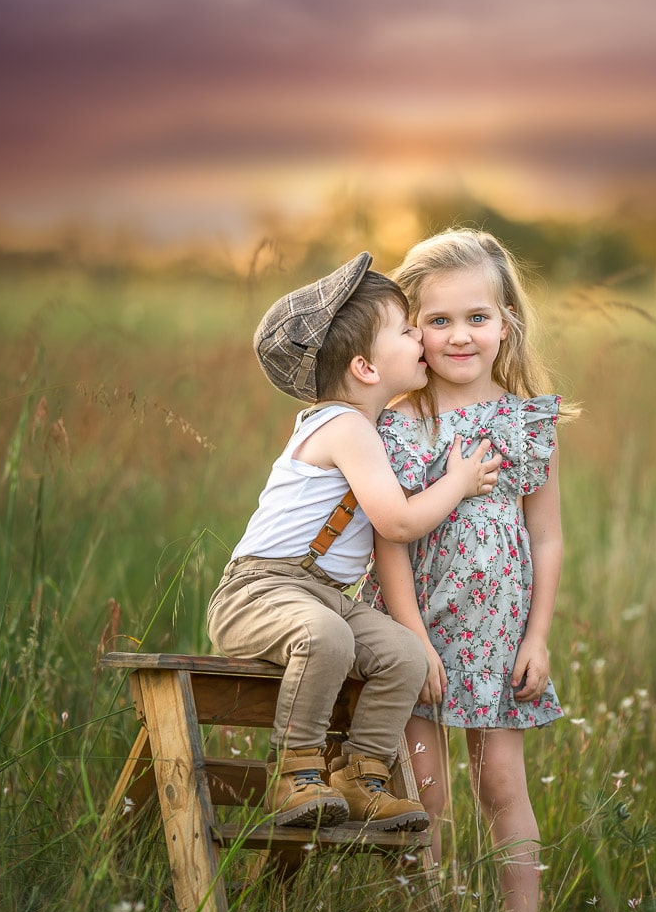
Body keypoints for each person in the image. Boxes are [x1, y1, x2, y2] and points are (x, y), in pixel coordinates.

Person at [206, 252, 502, 833]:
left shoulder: (364, 426)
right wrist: (459, 483)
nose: (420, 335)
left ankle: (362, 775)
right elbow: (396, 523)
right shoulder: (344, 426)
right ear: (366, 367)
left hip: (321, 593)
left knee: (404, 655)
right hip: (258, 590)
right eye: (406, 328)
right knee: (326, 636)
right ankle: (295, 773)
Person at [365, 229, 570, 912]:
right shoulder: (398, 423)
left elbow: (545, 537)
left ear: (506, 321)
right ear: (411, 330)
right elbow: (391, 541)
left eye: (477, 317)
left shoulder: (526, 423)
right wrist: (413, 640)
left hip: (497, 637)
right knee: (428, 796)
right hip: (418, 631)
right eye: (439, 320)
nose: (459, 336)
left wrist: (536, 638)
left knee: (501, 786)